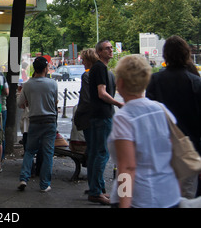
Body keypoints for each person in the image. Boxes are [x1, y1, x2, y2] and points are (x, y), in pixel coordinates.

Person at [109, 55, 181, 208]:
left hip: (141, 198)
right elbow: (174, 153)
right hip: (170, 195)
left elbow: (127, 168)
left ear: (120, 83)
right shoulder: (161, 110)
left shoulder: (124, 117)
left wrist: (124, 204)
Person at [146, 35, 201, 198]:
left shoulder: (155, 80)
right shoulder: (195, 82)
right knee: (187, 193)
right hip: (189, 148)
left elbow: (150, 115)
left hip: (162, 148)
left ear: (165, 55)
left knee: (163, 195)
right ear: (186, 54)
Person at [87, 40, 124, 205]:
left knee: (95, 153)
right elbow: (102, 93)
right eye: (107, 48)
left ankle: (98, 189)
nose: (111, 50)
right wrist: (119, 104)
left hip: (97, 115)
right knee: (102, 153)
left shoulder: (97, 68)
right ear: (99, 52)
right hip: (103, 115)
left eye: (111, 48)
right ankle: (96, 192)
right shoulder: (100, 68)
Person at [17, 57, 58, 192]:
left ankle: (24, 178)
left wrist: (28, 102)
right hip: (50, 121)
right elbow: (55, 102)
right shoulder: (52, 83)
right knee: (47, 153)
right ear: (46, 69)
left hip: (34, 120)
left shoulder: (28, 85)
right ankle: (44, 184)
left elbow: (20, 103)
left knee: (29, 151)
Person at [72, 49, 99, 154]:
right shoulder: (106, 73)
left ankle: (93, 170)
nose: (82, 63)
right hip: (101, 116)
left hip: (89, 118)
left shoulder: (87, 75)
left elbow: (85, 99)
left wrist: (78, 116)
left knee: (92, 149)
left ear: (89, 60)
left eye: (83, 60)